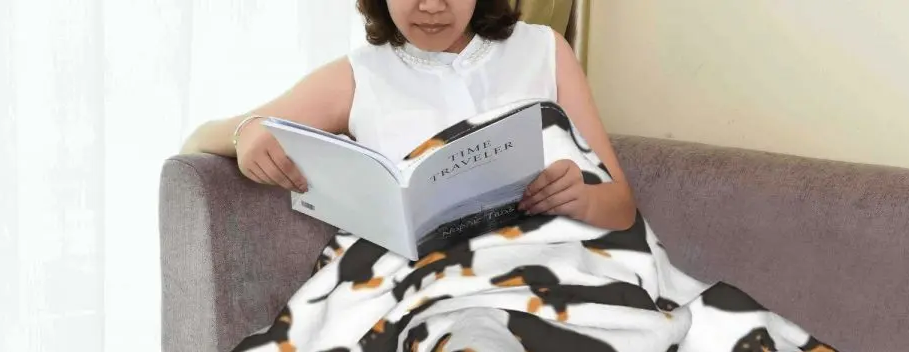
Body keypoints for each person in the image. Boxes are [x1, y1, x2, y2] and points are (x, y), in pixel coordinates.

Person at [180, 0, 637, 232]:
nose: (432, 6)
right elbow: (197, 140)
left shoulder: (544, 51)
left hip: (548, 283)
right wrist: (246, 133)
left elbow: (622, 208)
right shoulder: (360, 75)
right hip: (427, 297)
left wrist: (582, 200)